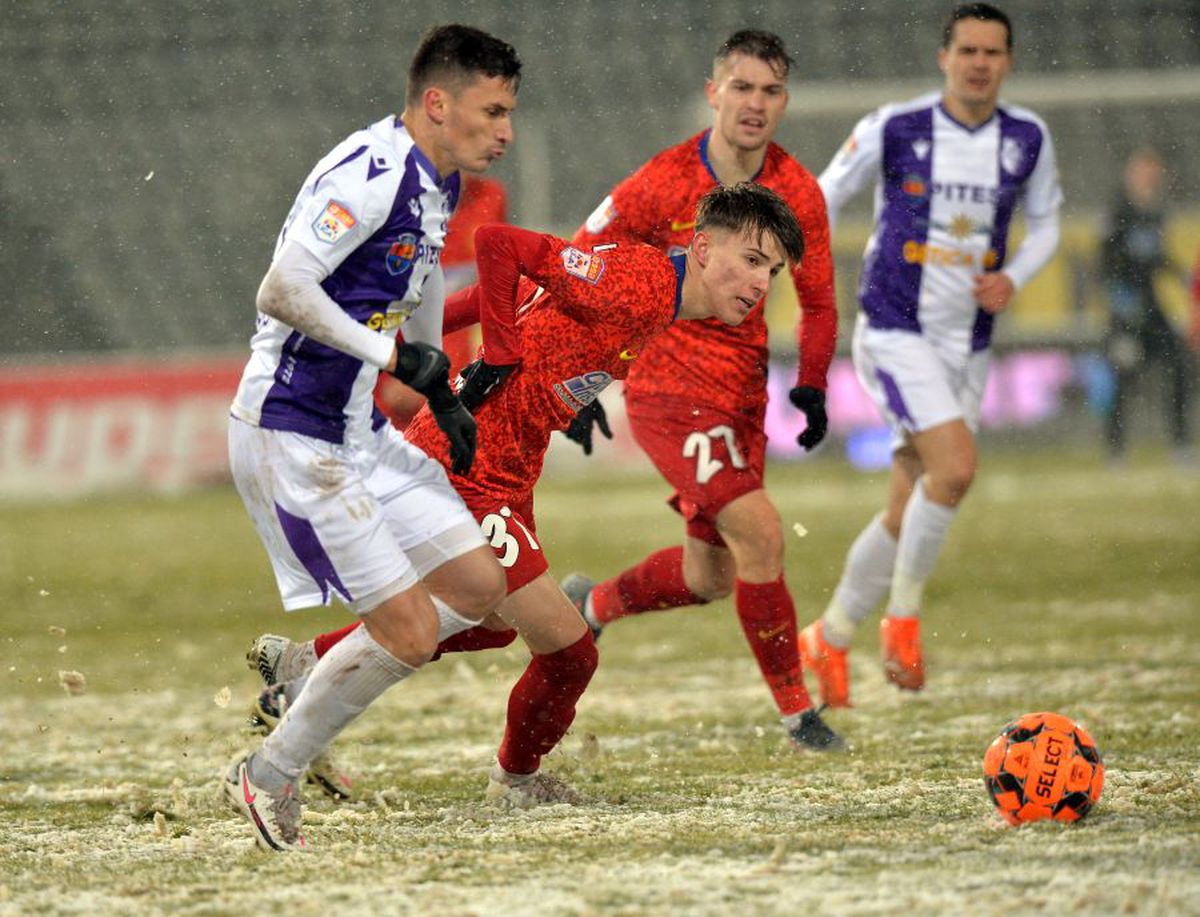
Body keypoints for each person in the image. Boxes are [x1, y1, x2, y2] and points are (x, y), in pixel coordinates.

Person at [245, 183, 841, 823]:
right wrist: (497, 351)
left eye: (772, 269)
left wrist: (384, 335)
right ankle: (513, 785)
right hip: (468, 471)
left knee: (494, 626)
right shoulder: (639, 281)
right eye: (751, 259)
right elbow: (500, 246)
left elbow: (510, 299)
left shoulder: (657, 299)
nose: (761, 282)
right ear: (700, 247)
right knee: (569, 651)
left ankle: (303, 664)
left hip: (501, 474)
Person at [221, 24, 521, 853]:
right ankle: (270, 772)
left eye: (509, 113)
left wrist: (439, 383)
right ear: (437, 102)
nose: (506, 131)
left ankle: (300, 671)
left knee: (477, 585)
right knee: (413, 634)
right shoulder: (374, 173)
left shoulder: (439, 183)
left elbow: (415, 286)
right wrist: (393, 353)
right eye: (492, 111)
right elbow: (282, 288)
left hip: (359, 429)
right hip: (292, 435)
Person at [556, 30, 840, 751]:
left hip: (740, 397)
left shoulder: (798, 191)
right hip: (666, 387)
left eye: (771, 91)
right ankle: (798, 715)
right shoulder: (658, 183)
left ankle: (590, 605)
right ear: (714, 93)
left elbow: (819, 302)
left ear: (784, 102)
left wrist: (809, 384)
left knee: (710, 575)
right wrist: (576, 373)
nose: (755, 103)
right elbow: (578, 257)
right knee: (762, 532)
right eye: (741, 87)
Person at [802, 3, 1062, 706]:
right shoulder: (897, 126)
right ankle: (905, 621)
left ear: (1008, 62)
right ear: (944, 57)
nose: (980, 63)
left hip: (967, 343)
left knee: (909, 500)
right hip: (893, 328)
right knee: (955, 470)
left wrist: (1015, 276)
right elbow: (824, 194)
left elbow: (1047, 222)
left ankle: (828, 633)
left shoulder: (1027, 138)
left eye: (993, 52)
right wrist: (798, 267)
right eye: (968, 50)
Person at [375, 174, 509, 429]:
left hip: (469, 370)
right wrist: (391, 374)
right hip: (408, 372)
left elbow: (498, 283)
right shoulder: (395, 204)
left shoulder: (491, 196)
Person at [1099, 147, 1194, 465]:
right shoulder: (1117, 209)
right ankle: (1116, 450)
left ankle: (1180, 444)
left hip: (1151, 307)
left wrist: (1183, 275)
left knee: (1180, 366)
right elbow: (1105, 260)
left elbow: (1155, 256)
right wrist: (1119, 298)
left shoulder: (1155, 212)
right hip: (1125, 309)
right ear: (1132, 173)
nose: (1149, 179)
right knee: (1124, 377)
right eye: (1144, 172)